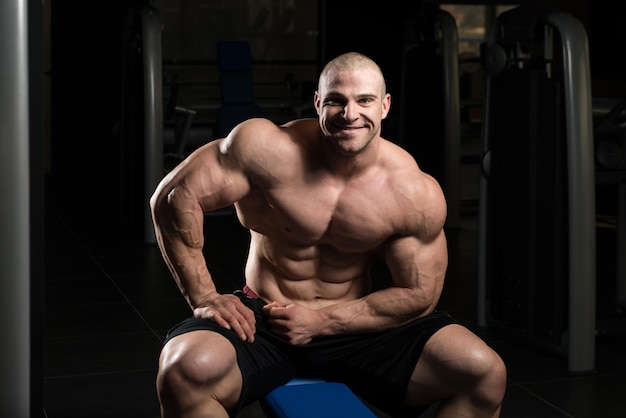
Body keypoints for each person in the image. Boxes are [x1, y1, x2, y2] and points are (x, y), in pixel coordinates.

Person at [150, 51, 507, 418]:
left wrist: (324, 321)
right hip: (263, 319)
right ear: (318, 103)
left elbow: (419, 294)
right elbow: (175, 198)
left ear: (384, 106)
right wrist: (205, 295)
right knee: (184, 369)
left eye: (364, 100)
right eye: (337, 100)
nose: (350, 114)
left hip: (356, 325)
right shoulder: (264, 150)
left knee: (482, 372)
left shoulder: (412, 192)